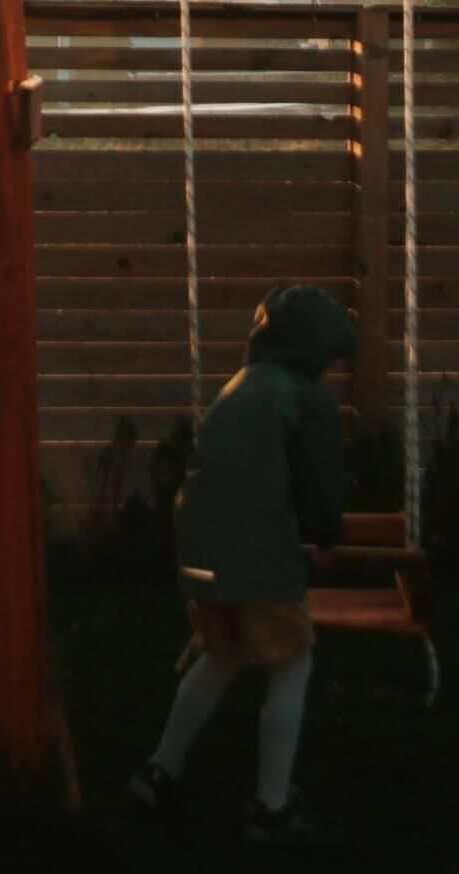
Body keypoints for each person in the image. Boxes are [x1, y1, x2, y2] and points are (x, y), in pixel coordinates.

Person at [129, 282, 356, 844]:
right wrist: (325, 535)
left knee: (221, 654)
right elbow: (319, 487)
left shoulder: (238, 386)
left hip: (199, 553)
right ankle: (271, 807)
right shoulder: (304, 398)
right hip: (257, 557)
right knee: (292, 661)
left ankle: (160, 768)